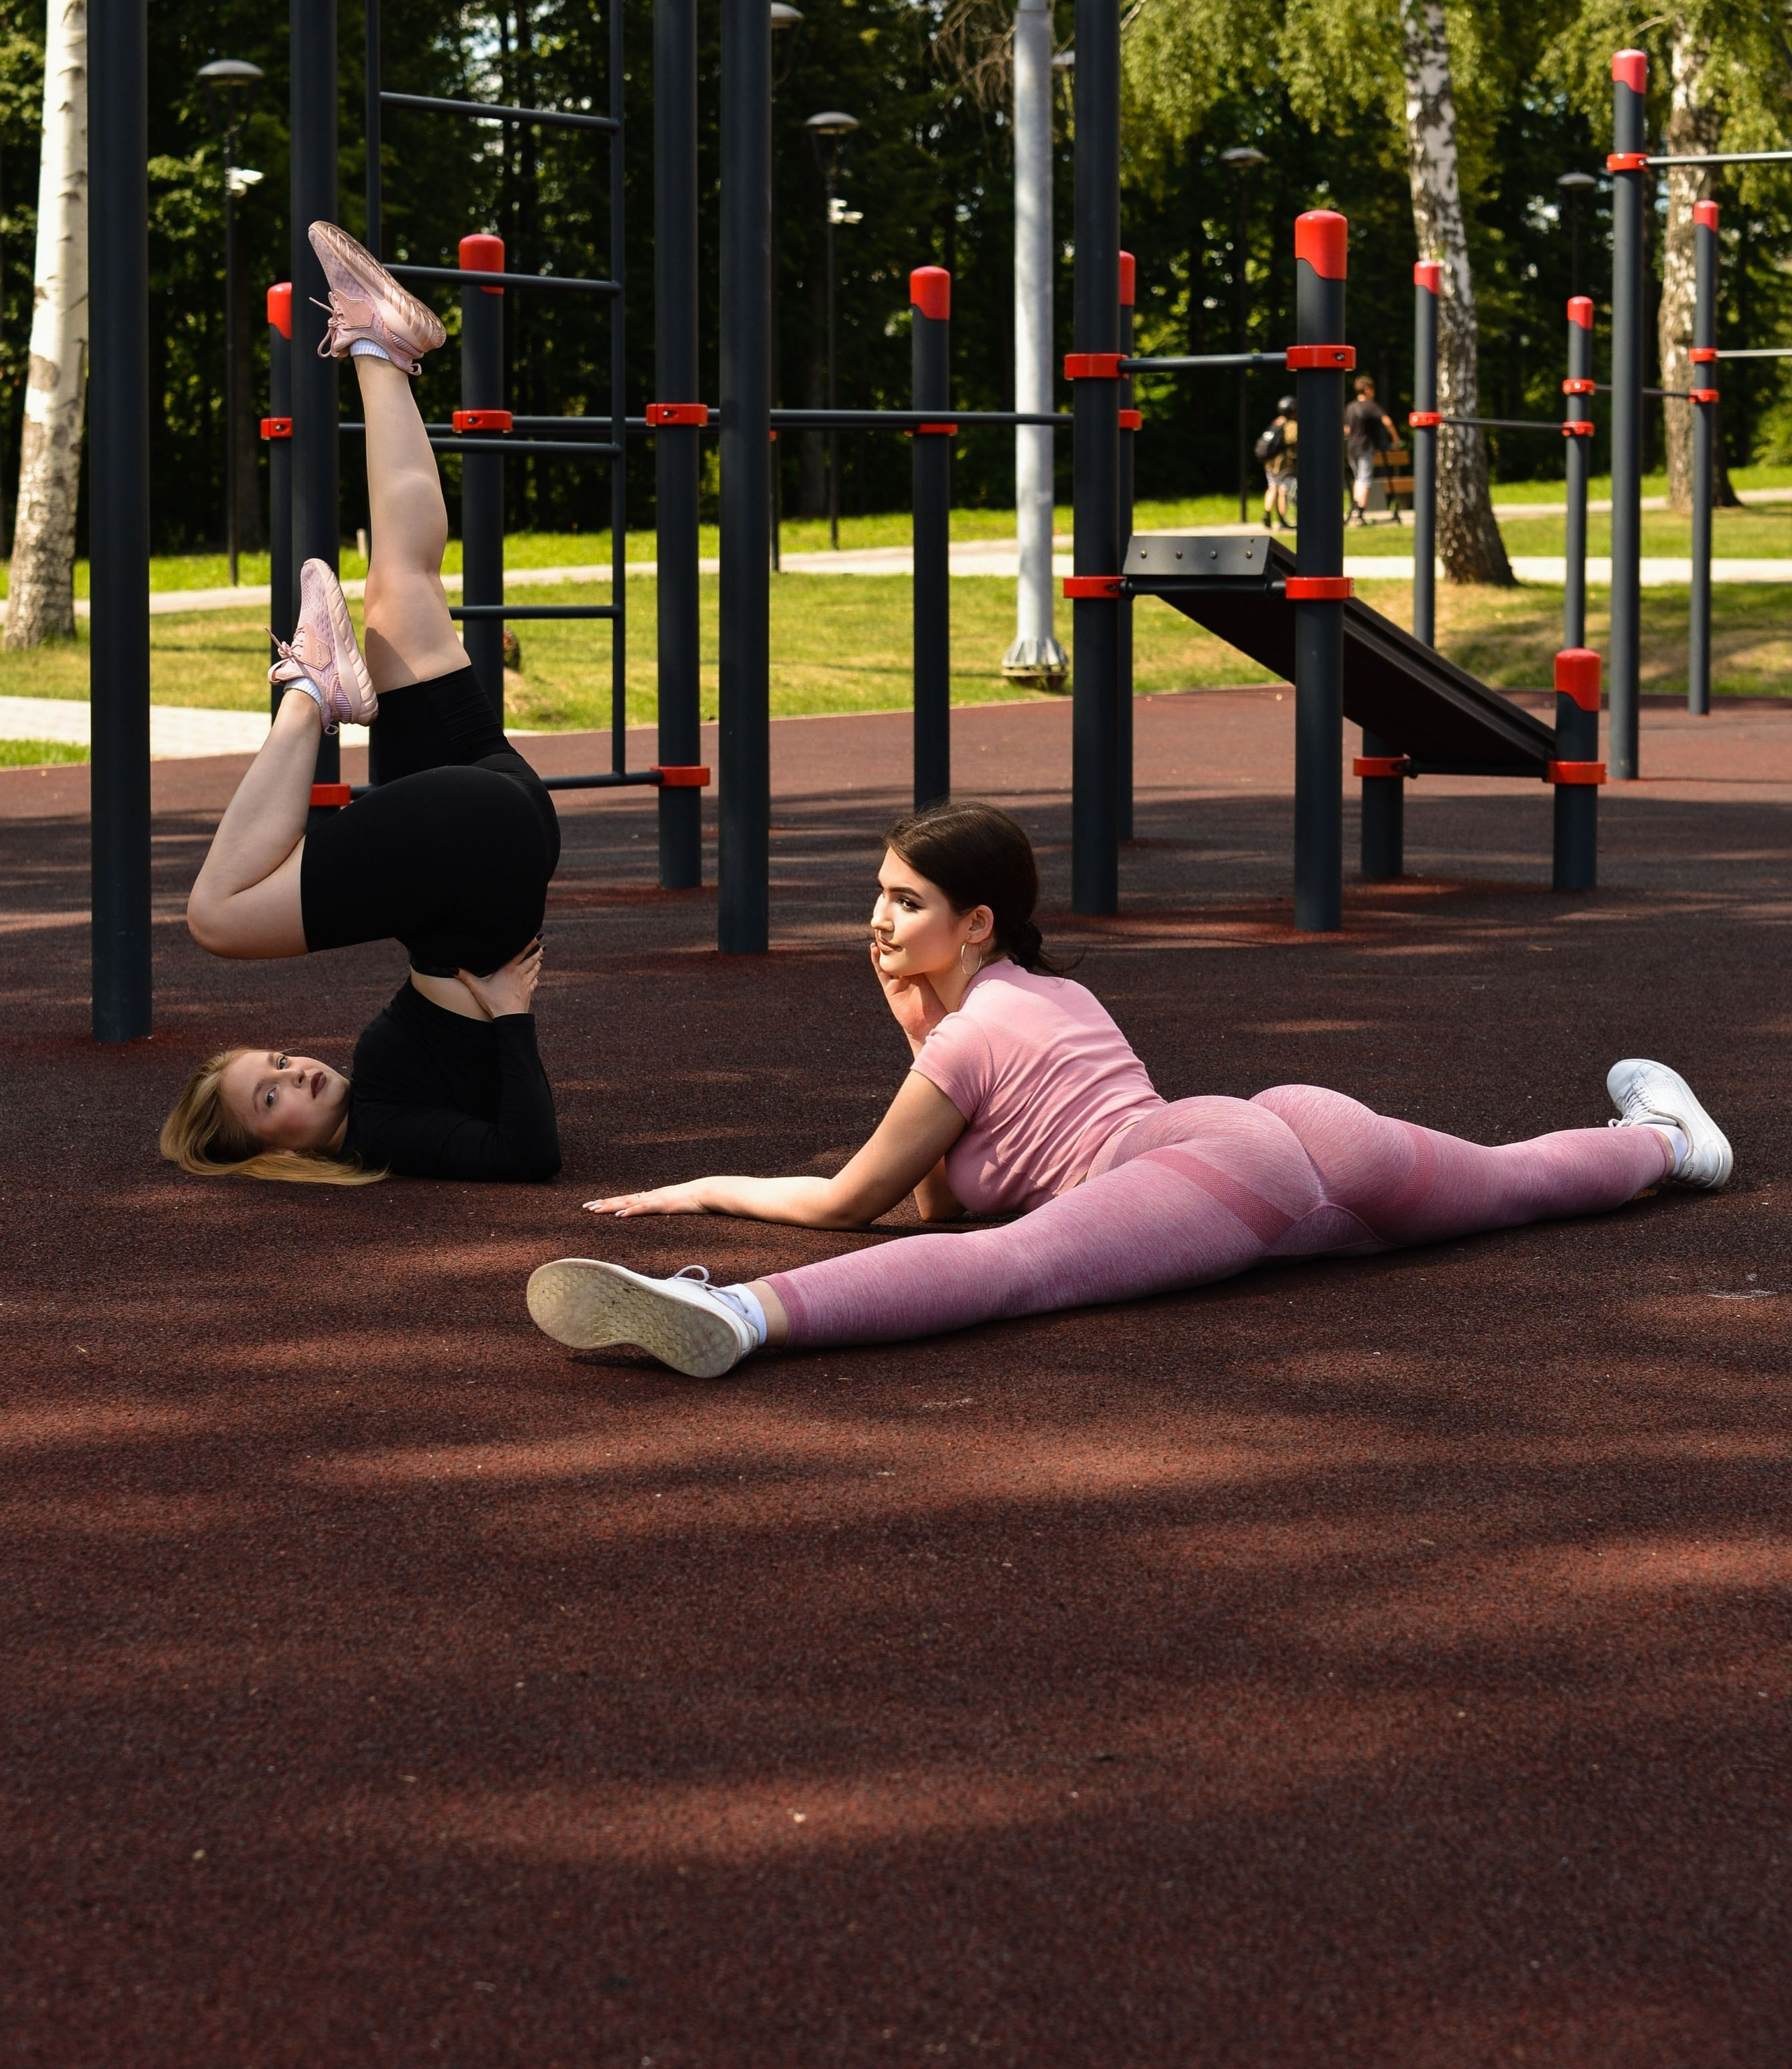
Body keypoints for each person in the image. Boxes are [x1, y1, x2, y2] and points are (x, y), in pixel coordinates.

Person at [524, 803, 1731, 1377]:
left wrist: (705, 1186)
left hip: (1209, 1167)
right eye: (881, 896)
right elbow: (949, 1191)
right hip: (1283, 1130)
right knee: (1511, 1184)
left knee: (1021, 1273)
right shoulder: (1046, 992)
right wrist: (919, 1017)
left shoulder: (964, 1039)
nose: (877, 923)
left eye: (905, 902)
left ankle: (737, 1314)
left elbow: (869, 1203)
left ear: (975, 922)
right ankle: (1669, 1145)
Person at [159, 224, 561, 1187]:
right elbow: (529, 1156)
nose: (295, 1069)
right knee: (214, 917)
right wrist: (510, 1018)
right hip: (474, 855)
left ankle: (383, 348)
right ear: (274, 1154)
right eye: (273, 1097)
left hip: (492, 829)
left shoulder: (382, 1095)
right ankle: (310, 698)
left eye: (275, 1063)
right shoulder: (380, 1122)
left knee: (401, 590)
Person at [1344, 374, 1393, 527]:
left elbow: (1346, 429)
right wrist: (1396, 439)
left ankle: (1354, 510)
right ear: (1367, 390)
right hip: (1365, 447)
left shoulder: (1350, 407)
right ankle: (1359, 512)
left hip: (1351, 448)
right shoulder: (1371, 406)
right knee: (1364, 479)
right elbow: (1386, 420)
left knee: (1358, 478)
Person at [1255, 394, 1296, 529]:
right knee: (1283, 489)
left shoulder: (1276, 422)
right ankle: (1283, 519)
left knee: (1272, 486)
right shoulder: (1290, 424)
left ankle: (1267, 512)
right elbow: (1292, 440)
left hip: (1269, 462)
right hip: (1281, 462)